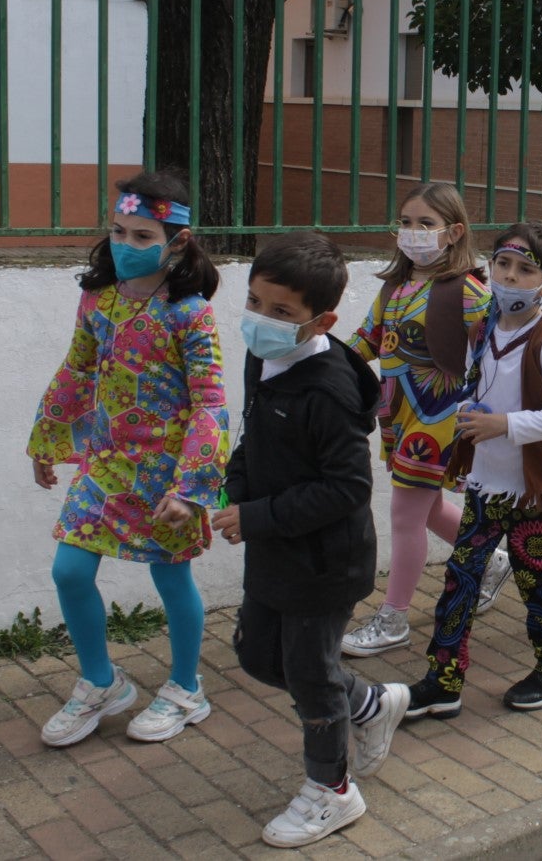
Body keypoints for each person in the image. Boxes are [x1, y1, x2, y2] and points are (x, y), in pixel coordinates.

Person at [213, 232, 410, 848]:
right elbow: (252, 436)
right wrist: (233, 495)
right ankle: (371, 705)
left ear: (319, 320)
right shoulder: (263, 356)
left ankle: (333, 790)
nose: (260, 320)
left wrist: (259, 516)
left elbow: (347, 487)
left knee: (309, 675)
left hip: (326, 563)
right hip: (278, 547)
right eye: (254, 302)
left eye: (280, 313)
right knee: (258, 657)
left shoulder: (326, 389)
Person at [28, 171, 228, 748]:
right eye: (117, 230)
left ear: (178, 242)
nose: (123, 244)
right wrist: (47, 439)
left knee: (171, 577)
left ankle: (186, 687)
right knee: (69, 570)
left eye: (142, 236)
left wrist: (193, 486)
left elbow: (211, 403)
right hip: (105, 464)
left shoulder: (190, 314)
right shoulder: (98, 299)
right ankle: (101, 682)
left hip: (168, 475)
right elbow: (76, 369)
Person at [404, 223, 542, 720]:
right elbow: (475, 388)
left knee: (539, 583)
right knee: (460, 577)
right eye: (503, 264)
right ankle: (443, 680)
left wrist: (503, 423)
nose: (510, 276)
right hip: (487, 486)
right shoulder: (482, 331)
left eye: (526, 270)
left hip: (535, 492)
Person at [341, 183, 500, 657]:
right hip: (397, 415)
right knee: (425, 510)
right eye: (406, 222)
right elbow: (367, 338)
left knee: (404, 514)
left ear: (453, 232)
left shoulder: (467, 290)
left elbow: (496, 348)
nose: (412, 233)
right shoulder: (397, 285)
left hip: (437, 419)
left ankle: (393, 618)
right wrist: (322, 365)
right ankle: (490, 561)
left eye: (425, 225)